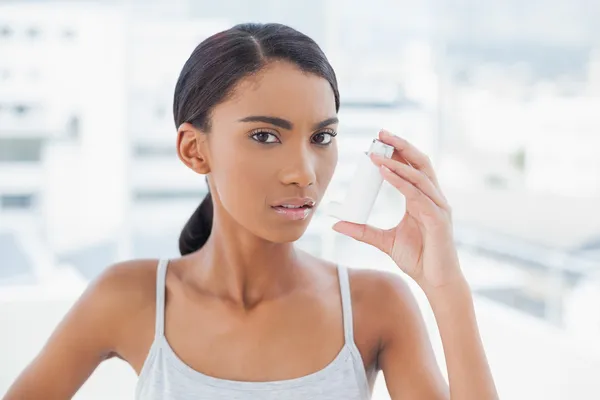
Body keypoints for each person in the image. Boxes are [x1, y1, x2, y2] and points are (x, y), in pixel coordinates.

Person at [4, 23, 498, 400]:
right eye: (265, 136)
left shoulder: (376, 306)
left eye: (321, 137)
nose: (303, 172)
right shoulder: (130, 298)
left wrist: (446, 287)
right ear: (195, 150)